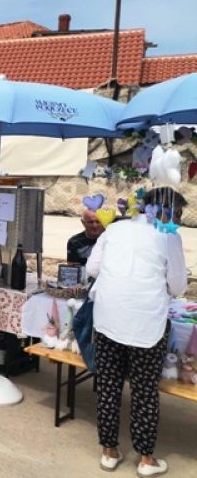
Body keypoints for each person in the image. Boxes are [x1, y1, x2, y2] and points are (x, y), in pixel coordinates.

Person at [85, 187, 188, 476]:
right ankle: (145, 459)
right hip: (147, 326)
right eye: (178, 214)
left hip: (107, 320)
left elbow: (92, 269)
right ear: (167, 210)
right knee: (144, 391)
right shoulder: (169, 236)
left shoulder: (116, 229)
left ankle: (108, 452)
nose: (178, 221)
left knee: (108, 386)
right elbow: (178, 286)